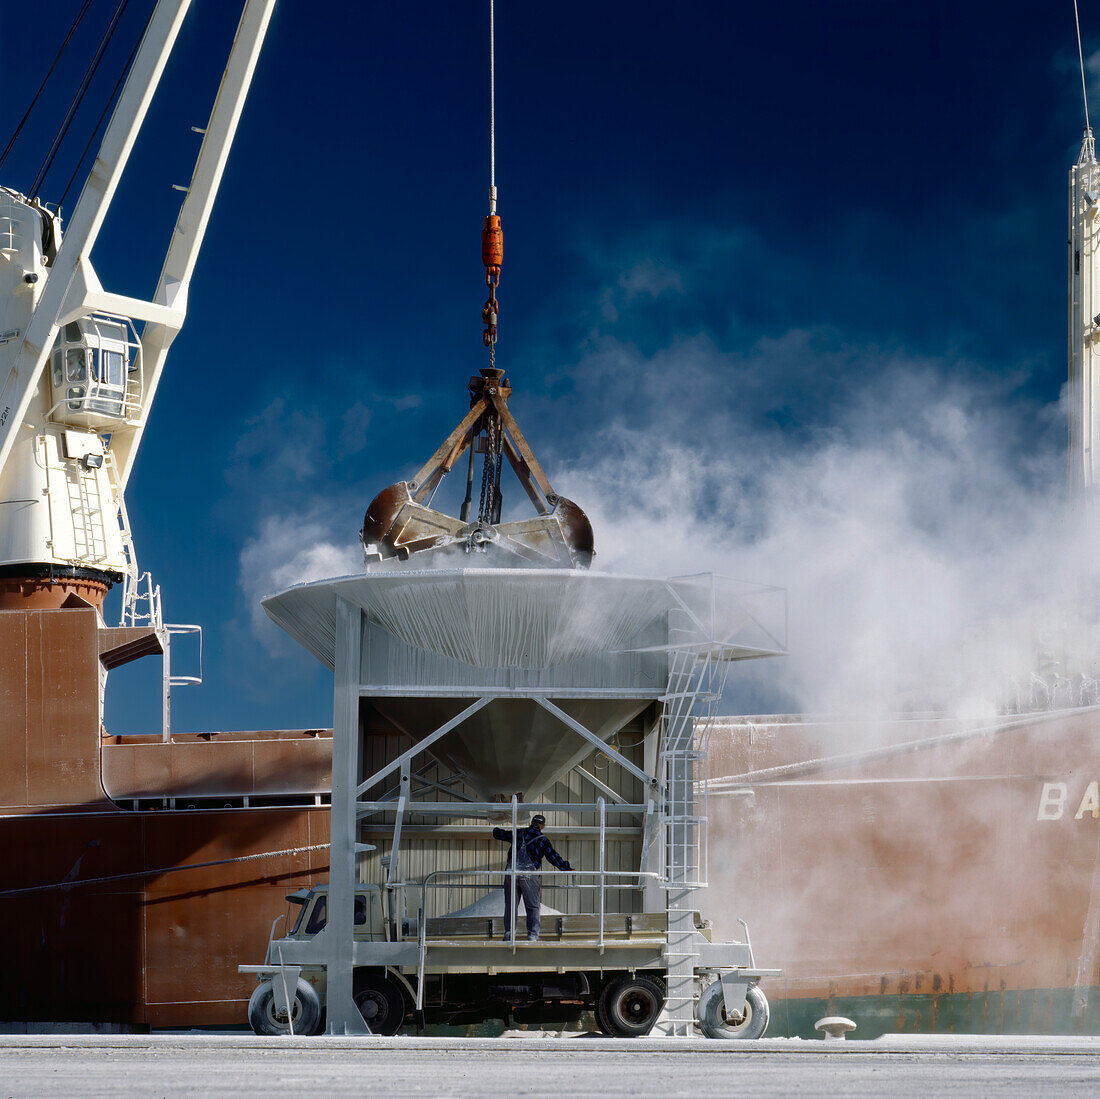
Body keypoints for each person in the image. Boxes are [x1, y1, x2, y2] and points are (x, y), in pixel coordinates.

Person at [491, 813, 573, 941]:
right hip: (529, 876)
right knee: (533, 906)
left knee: (511, 905)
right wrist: (566, 868)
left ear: (532, 823)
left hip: (511, 874)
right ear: (542, 826)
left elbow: (499, 834)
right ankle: (532, 935)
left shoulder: (519, 833)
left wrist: (495, 828)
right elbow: (553, 858)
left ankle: (509, 933)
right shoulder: (542, 840)